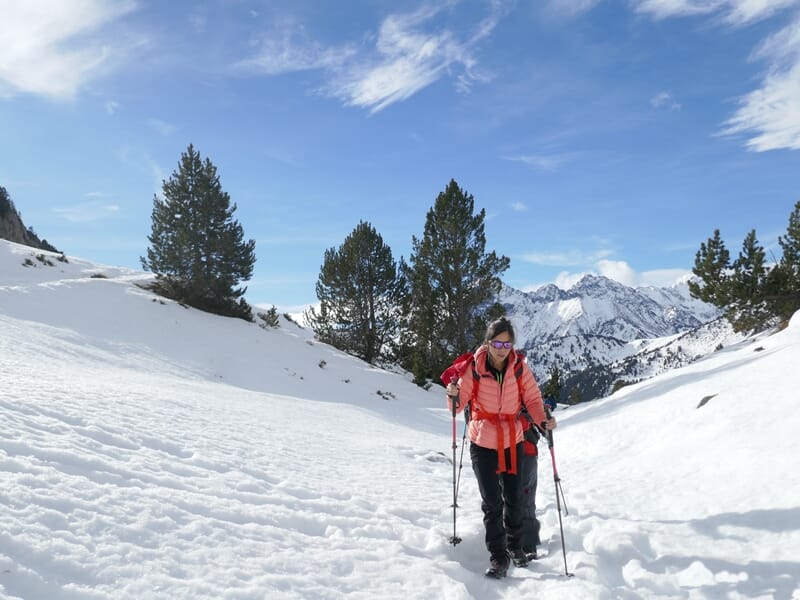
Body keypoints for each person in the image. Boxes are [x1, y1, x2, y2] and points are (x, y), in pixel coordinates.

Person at [446, 317, 556, 578]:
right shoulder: (474, 367)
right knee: (492, 502)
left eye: (507, 343)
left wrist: (544, 421)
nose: (501, 348)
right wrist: (452, 395)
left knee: (514, 498)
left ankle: (515, 546)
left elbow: (532, 398)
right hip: (482, 441)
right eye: (497, 342)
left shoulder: (519, 368)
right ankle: (498, 556)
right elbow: (457, 405)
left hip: (512, 440)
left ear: (512, 345)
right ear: (488, 342)